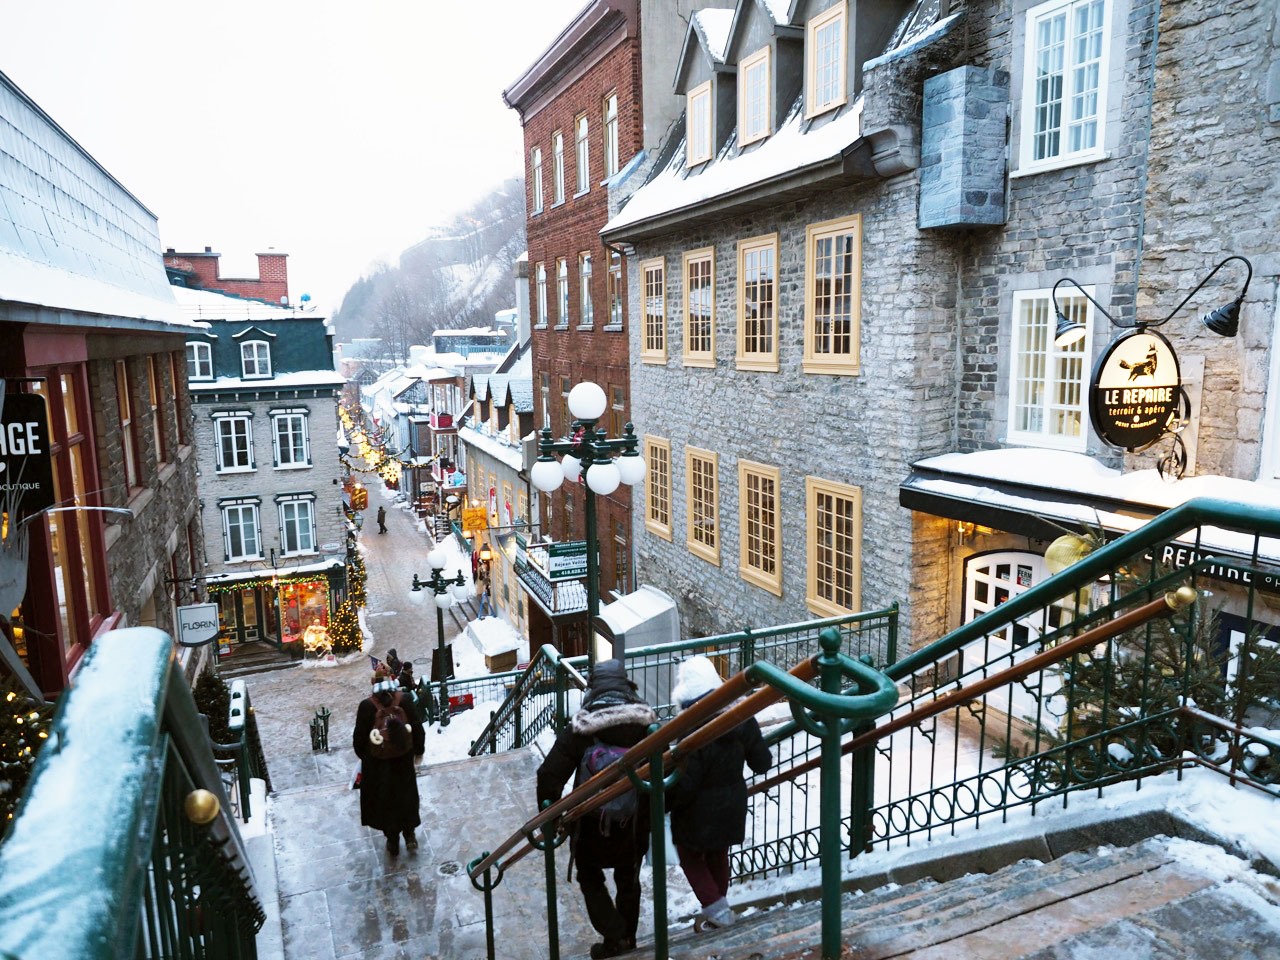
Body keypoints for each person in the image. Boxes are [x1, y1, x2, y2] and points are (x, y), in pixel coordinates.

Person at [537, 660, 657, 959]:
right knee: (628, 880)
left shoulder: (581, 730)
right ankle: (627, 939)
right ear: (627, 687)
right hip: (633, 825)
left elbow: (548, 775)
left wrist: (549, 817)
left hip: (590, 825)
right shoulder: (647, 726)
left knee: (590, 878)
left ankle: (612, 936)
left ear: (591, 689)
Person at [666, 656, 772, 931]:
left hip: (697, 810)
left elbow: (687, 784)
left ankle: (718, 911)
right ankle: (719, 910)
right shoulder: (741, 717)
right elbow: (762, 763)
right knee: (717, 852)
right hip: (732, 803)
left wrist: (666, 801)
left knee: (689, 855)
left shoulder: (690, 731)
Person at [352, 666, 425, 856]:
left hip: (379, 766)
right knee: (406, 796)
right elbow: (418, 729)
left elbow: (358, 741)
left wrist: (369, 758)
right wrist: (417, 753)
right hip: (403, 761)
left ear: (373, 684)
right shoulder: (405, 700)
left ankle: (392, 840)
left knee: (386, 801)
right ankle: (410, 835)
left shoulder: (366, 706)